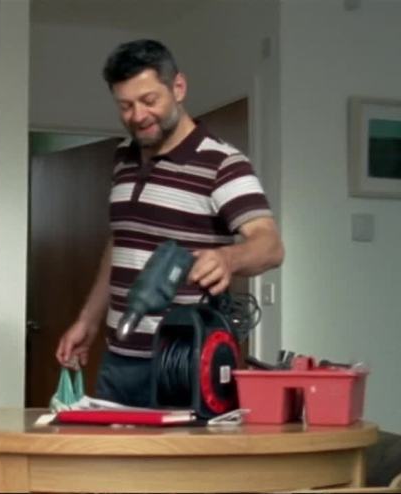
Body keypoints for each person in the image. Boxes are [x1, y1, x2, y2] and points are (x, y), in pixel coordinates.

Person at [55, 39, 285, 407]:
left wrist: (228, 258)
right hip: (119, 360)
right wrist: (89, 320)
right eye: (125, 106)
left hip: (183, 362)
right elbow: (121, 243)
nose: (138, 115)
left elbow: (270, 245)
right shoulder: (123, 157)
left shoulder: (222, 163)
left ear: (178, 87)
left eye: (149, 100)